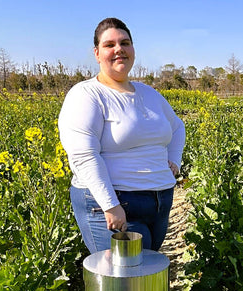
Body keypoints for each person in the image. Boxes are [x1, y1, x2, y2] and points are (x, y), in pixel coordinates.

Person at [58, 17, 186, 253]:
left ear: (133, 49)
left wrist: (174, 160)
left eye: (125, 43)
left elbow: (177, 127)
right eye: (109, 45)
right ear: (97, 53)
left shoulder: (150, 94)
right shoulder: (86, 95)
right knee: (125, 285)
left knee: (145, 277)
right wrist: (111, 205)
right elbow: (84, 155)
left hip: (159, 202)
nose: (119, 49)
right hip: (115, 204)